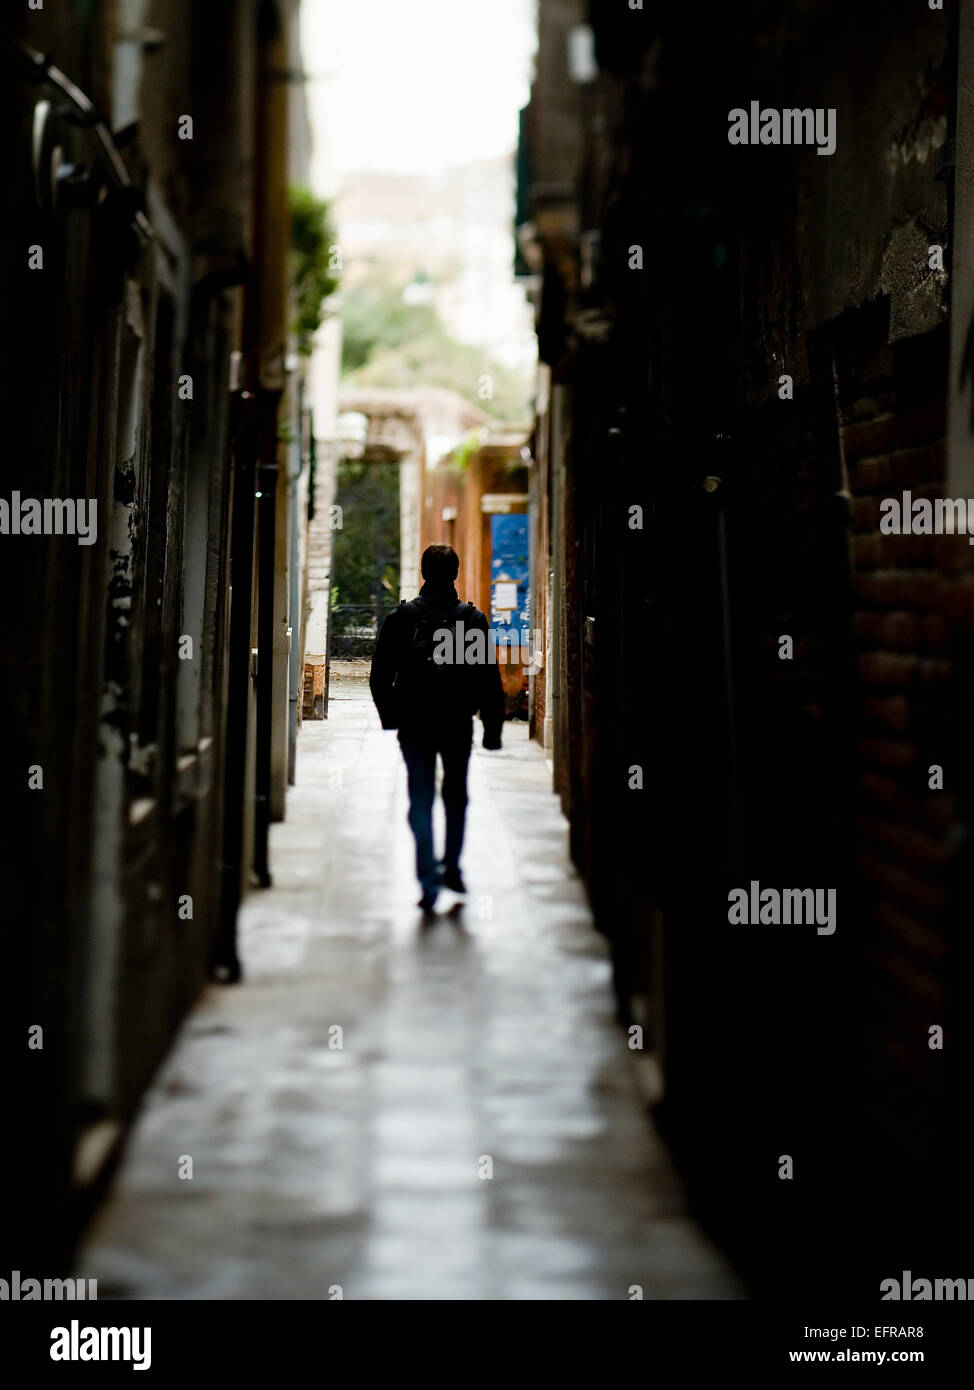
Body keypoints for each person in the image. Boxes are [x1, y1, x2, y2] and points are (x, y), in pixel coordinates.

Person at [370, 544, 505, 912]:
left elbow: (380, 675)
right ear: (456, 574)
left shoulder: (402, 619)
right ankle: (453, 868)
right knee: (456, 797)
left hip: (414, 723)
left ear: (423, 573)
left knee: (421, 800)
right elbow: (487, 679)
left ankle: (428, 878)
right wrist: (492, 728)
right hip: (456, 722)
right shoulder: (471, 621)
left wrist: (390, 717)